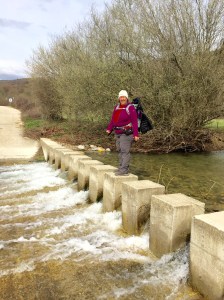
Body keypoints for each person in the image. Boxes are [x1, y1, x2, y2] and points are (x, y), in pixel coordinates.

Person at [106, 90, 139, 176]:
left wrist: (136, 134)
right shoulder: (117, 107)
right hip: (117, 132)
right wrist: (109, 129)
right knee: (120, 150)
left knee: (124, 151)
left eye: (124, 97)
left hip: (127, 133)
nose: (122, 98)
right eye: (121, 97)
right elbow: (113, 120)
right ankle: (121, 168)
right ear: (119, 98)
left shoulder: (130, 107)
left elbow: (134, 121)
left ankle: (124, 170)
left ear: (127, 98)